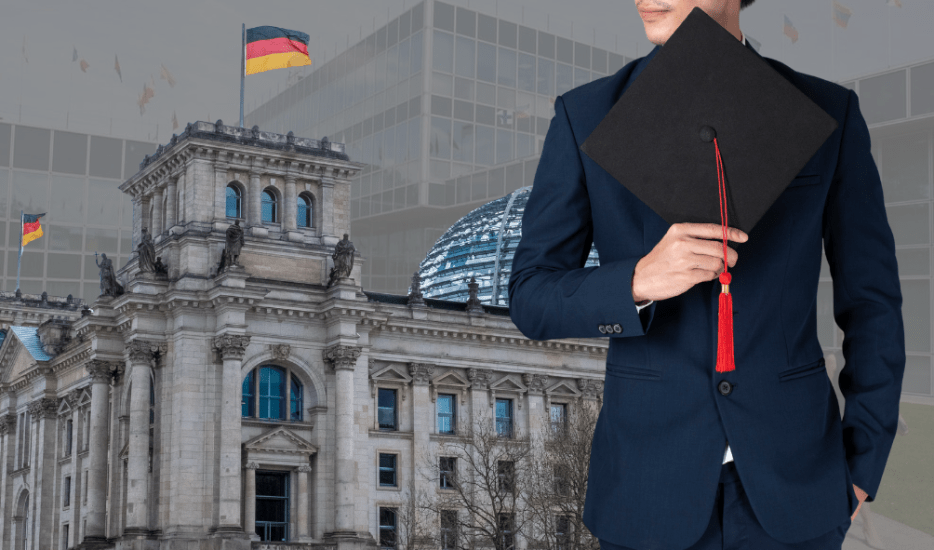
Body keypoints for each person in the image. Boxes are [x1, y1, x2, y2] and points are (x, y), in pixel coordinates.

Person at [507, 1, 905, 549]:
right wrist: (637, 280)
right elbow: (532, 296)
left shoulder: (827, 113)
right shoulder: (586, 115)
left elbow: (873, 301)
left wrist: (864, 463)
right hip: (644, 491)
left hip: (796, 491)